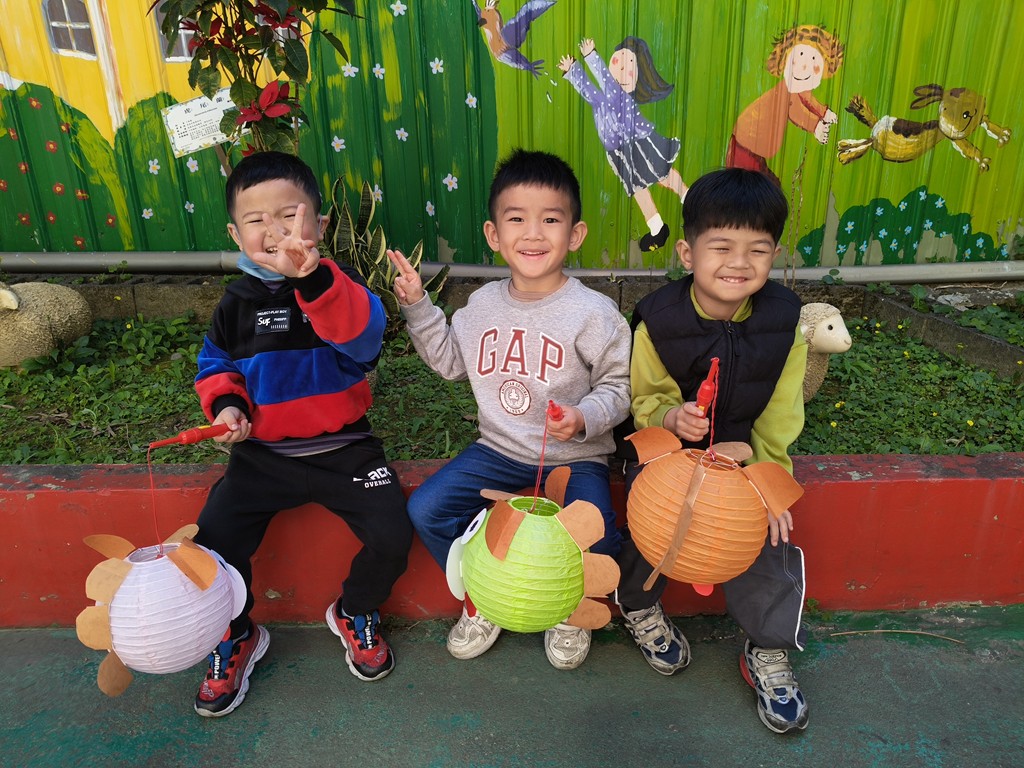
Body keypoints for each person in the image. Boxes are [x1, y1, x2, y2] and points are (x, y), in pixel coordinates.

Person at [387, 149, 631, 670]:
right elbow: (451, 362)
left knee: (598, 534)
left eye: (551, 220)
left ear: (575, 234)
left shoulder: (594, 313)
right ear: (494, 235)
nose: (533, 234)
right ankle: (485, 594)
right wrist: (417, 306)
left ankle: (568, 610)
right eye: (516, 219)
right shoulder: (481, 306)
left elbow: (619, 387)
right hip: (497, 451)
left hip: (575, 457)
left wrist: (583, 416)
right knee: (427, 509)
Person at [190, 151, 413, 717]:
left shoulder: (340, 285)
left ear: (320, 223)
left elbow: (362, 340)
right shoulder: (234, 304)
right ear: (235, 235)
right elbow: (216, 365)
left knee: (392, 534)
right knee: (214, 541)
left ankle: (355, 609)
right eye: (256, 220)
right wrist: (229, 407)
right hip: (263, 456)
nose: (275, 231)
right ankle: (236, 632)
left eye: (289, 215)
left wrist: (311, 279)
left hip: (347, 449)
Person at [614, 167, 811, 733]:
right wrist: (671, 418)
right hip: (669, 458)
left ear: (775, 255)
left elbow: (780, 415)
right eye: (721, 247)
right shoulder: (658, 320)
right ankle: (638, 606)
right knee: (652, 524)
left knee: (767, 537)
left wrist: (768, 482)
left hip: (742, 461)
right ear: (687, 252)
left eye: (758, 249)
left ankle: (767, 647)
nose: (738, 263)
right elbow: (644, 399)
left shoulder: (785, 323)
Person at [560, 36, 688, 252]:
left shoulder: (617, 92)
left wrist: (590, 56)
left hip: (638, 141)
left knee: (663, 174)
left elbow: (603, 77)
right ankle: (657, 227)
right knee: (639, 188)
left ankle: (689, 196)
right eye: (618, 61)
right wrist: (572, 70)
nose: (622, 69)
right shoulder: (599, 102)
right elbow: (588, 89)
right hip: (618, 151)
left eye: (630, 63)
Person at [726, 24, 844, 185]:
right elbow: (794, 109)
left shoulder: (795, 89)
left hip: (754, 148)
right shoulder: (785, 91)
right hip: (745, 145)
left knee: (770, 187)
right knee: (754, 190)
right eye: (800, 54)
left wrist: (824, 112)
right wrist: (816, 126)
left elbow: (807, 99)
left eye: (813, 59)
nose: (804, 65)